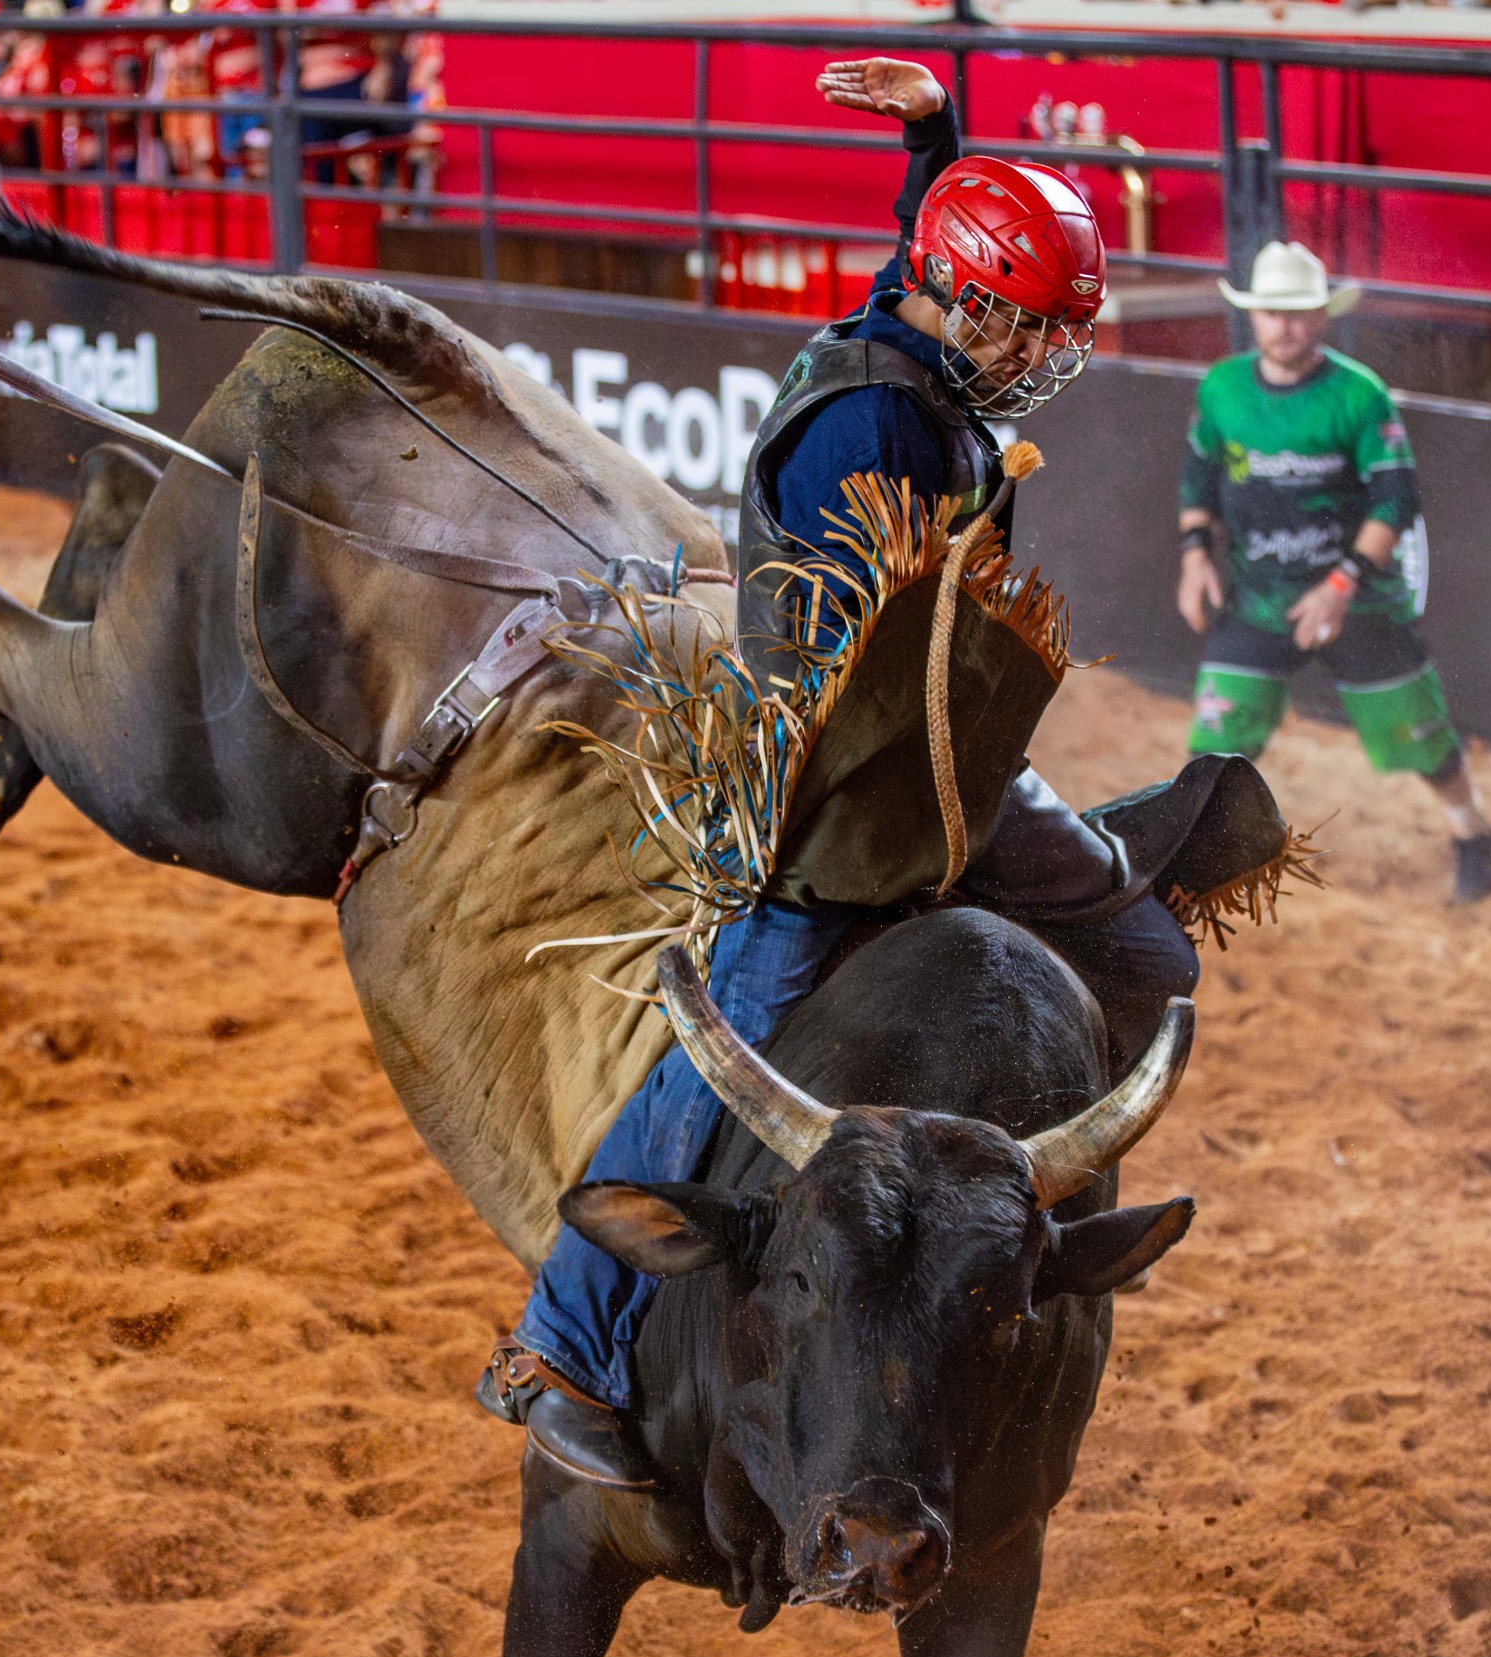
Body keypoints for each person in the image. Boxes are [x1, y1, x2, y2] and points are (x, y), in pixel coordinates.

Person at [475, 56, 1201, 1491]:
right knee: (731, 1040)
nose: (1045, 358)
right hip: (843, 789)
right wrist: (1012, 820)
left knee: (1122, 917)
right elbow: (860, 674)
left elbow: (929, 236)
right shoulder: (873, 432)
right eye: (1032, 329)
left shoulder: (910, 325)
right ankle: (560, 1337)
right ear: (972, 305)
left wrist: (937, 132)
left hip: (901, 749)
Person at [1176, 240, 1491, 904]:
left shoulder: (1360, 395)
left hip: (1362, 601)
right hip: (1258, 598)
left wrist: (1341, 586)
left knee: (1422, 739)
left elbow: (1396, 498)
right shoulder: (1223, 388)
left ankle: (1473, 835)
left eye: (1298, 313)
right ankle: (1179, 866)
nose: (1285, 326)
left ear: (1322, 316)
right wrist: (1194, 556)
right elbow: (1199, 473)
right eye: (1271, 312)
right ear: (1253, 316)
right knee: (1215, 744)